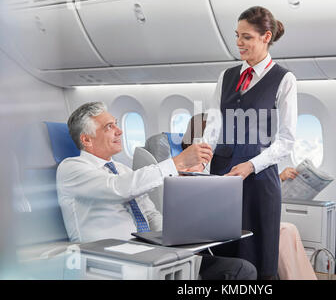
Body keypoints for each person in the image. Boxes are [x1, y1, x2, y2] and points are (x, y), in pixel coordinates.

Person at [56, 101, 256, 280]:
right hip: (113, 259)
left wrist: (174, 239)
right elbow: (119, 188)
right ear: (87, 140)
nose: (120, 131)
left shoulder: (123, 170)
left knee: (241, 269)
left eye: (117, 123)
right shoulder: (72, 168)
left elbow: (149, 213)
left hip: (152, 251)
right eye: (110, 126)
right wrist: (176, 162)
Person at [203, 6, 298, 279]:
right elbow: (214, 124)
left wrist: (250, 165)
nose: (239, 43)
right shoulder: (226, 76)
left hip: (259, 182)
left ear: (266, 37)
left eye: (247, 37)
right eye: (237, 36)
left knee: (258, 257)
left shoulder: (284, 79)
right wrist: (201, 158)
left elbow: (286, 139)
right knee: (224, 255)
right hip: (222, 176)